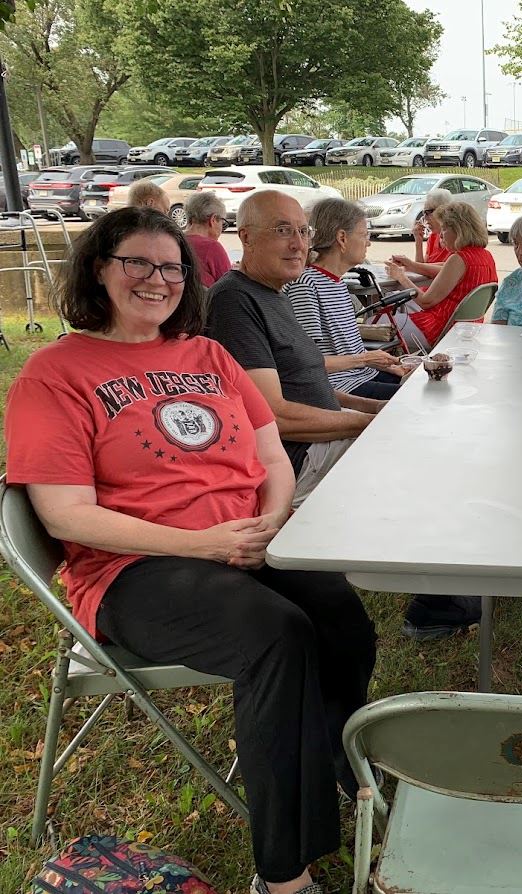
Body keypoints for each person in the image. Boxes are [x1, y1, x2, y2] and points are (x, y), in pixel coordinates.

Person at [4, 207, 377, 894]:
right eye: (137, 263)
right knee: (278, 633)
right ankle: (285, 876)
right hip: (135, 569)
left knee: (339, 613)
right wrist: (199, 543)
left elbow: (272, 457)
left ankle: (336, 765)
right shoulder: (56, 373)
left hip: (244, 540)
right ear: (98, 270)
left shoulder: (208, 354)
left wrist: (269, 521)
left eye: (172, 266)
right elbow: (67, 514)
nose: (158, 279)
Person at [206, 191, 385, 508]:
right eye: (282, 230)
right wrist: (372, 424)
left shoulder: (275, 292)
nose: (299, 244)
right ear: (246, 237)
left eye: (304, 231)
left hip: (326, 438)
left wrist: (371, 408)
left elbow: (305, 381)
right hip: (299, 461)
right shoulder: (234, 301)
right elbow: (274, 416)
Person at [285, 198, 413, 400]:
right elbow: (308, 362)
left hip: (361, 376)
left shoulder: (336, 283)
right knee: (419, 397)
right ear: (342, 238)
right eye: (364, 234)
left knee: (426, 381)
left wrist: (384, 365)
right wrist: (366, 359)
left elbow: (348, 350)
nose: (369, 242)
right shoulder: (306, 285)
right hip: (339, 388)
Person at [383, 202, 497, 350]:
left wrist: (401, 277)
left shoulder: (459, 259)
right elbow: (444, 268)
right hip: (469, 329)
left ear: (458, 230)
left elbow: (425, 302)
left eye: (444, 228)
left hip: (438, 329)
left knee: (373, 322)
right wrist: (410, 264)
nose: (440, 234)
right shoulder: (485, 256)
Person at [385, 187, 452, 279]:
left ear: (442, 211)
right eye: (423, 213)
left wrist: (409, 265)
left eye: (427, 212)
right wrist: (418, 241)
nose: (425, 218)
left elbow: (448, 268)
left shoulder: (456, 240)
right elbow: (421, 269)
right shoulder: (433, 237)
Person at [183, 191, 232, 287]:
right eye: (223, 222)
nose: (222, 228)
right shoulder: (212, 248)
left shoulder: (173, 240)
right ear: (213, 220)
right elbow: (229, 288)